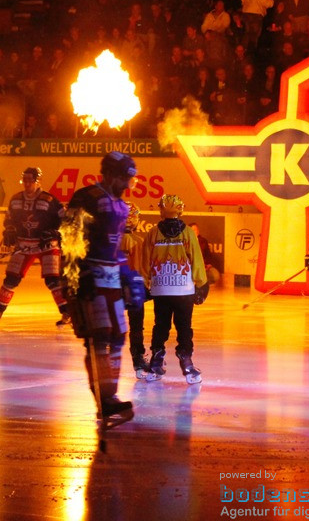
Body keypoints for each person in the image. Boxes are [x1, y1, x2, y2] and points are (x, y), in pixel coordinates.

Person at [63, 152, 145, 427]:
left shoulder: (121, 205)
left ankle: (110, 394)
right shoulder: (87, 198)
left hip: (110, 278)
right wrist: (76, 278)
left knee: (119, 334)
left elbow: (115, 249)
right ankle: (104, 399)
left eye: (130, 179)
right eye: (124, 178)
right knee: (99, 336)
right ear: (110, 175)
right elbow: (70, 240)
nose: (127, 184)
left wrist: (127, 274)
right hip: (90, 278)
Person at [140, 194, 208, 384]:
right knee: (184, 327)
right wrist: (201, 284)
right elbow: (196, 260)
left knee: (160, 326)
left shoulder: (153, 233)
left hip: (161, 290)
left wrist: (144, 284)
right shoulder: (187, 233)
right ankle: (187, 364)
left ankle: (155, 362)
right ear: (180, 210)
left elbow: (145, 261)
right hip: (183, 291)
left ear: (161, 210)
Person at [0, 167, 67, 326]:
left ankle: (66, 313)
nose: (26, 184)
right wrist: (9, 229)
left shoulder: (49, 200)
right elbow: (9, 218)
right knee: (11, 279)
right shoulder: (15, 199)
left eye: (30, 180)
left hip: (46, 245)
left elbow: (65, 220)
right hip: (23, 245)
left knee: (53, 280)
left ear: (38, 181)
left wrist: (55, 232)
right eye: (24, 180)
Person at [122, 203, 152, 379]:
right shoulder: (138, 242)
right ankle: (138, 360)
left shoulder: (108, 239)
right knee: (136, 327)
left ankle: (108, 359)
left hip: (112, 290)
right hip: (134, 290)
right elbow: (142, 270)